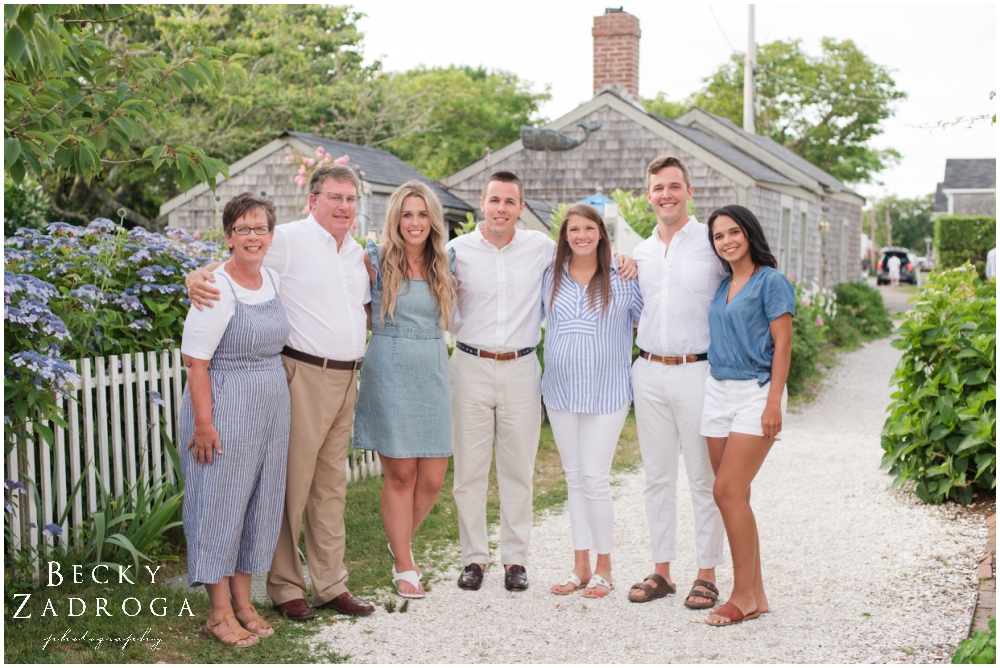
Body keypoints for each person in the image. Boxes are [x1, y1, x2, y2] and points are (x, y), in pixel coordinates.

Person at [186, 164, 375, 621]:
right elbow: (238, 259)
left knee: (332, 488)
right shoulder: (287, 239)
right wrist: (197, 275)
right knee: (290, 487)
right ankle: (287, 586)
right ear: (313, 201)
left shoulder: (357, 252)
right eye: (334, 197)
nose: (343, 206)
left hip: (348, 376)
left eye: (350, 199)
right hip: (303, 374)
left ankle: (331, 584)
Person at [447, 171, 637, 592]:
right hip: (470, 363)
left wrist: (626, 257)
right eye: (494, 200)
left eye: (510, 202)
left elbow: (586, 246)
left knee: (519, 470)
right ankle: (473, 559)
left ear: (520, 207)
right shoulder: (456, 250)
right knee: (470, 471)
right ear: (482, 202)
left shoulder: (540, 249)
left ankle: (516, 561)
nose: (501, 209)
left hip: (520, 367)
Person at [179, 192, 289, 647]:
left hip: (270, 406)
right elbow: (195, 362)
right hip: (224, 406)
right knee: (217, 504)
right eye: (242, 228)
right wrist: (204, 425)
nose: (252, 236)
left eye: (259, 228)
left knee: (258, 503)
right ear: (228, 236)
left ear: (270, 234)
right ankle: (219, 611)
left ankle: (244, 602)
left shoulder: (274, 280)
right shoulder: (214, 287)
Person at [629, 155, 728, 610]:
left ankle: (706, 573)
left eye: (674, 186)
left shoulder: (713, 244)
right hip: (648, 371)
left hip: (698, 371)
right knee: (656, 477)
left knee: (703, 477)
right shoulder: (640, 252)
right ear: (648, 196)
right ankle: (663, 571)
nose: (665, 194)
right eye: (657, 188)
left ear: (690, 192)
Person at [353, 181, 456, 599]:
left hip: (432, 369)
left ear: (433, 219)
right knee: (401, 473)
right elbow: (356, 310)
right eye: (407, 214)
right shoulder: (373, 260)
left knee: (433, 476)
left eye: (422, 214)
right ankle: (403, 563)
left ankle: (399, 542)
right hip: (390, 366)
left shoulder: (446, 263)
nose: (414, 222)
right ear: (395, 218)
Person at [542, 204, 642, 599]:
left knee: (596, 479)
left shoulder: (624, 276)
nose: (581, 236)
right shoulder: (551, 276)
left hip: (607, 393)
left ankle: (605, 567)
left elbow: (646, 321)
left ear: (602, 232)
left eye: (588, 228)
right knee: (574, 478)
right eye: (573, 230)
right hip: (562, 391)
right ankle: (579, 565)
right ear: (564, 236)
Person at [701, 204, 794, 626]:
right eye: (719, 236)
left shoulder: (771, 282)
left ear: (749, 233)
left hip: (756, 393)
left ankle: (740, 595)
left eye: (733, 232)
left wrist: (774, 400)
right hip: (717, 390)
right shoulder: (723, 286)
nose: (727, 241)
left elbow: (783, 344)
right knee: (735, 494)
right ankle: (757, 593)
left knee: (725, 491)